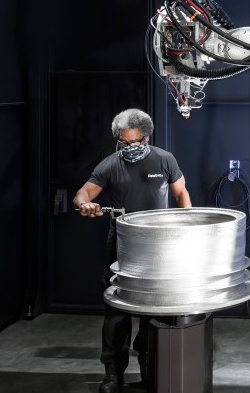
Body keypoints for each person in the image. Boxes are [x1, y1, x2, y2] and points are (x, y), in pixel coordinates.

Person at [73, 108, 192, 393]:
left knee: (160, 311)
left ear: (146, 138)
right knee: (116, 311)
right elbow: (83, 193)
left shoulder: (164, 159)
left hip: (161, 245)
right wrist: (84, 205)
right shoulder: (110, 165)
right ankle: (113, 375)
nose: (128, 148)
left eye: (133, 142)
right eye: (122, 143)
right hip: (123, 245)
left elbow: (181, 194)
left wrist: (187, 228)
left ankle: (152, 367)